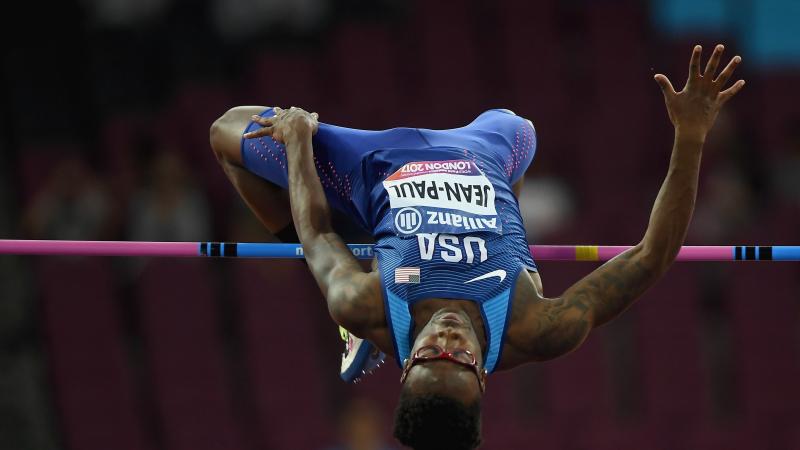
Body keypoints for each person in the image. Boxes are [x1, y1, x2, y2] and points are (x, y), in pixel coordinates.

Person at [210, 45, 744, 450]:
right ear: (482, 376)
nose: (445, 337)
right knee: (519, 124)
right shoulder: (534, 327)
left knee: (226, 132)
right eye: (459, 358)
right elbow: (652, 256)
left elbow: (318, 234)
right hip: (487, 152)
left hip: (367, 163)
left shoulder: (365, 303)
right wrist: (691, 137)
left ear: (406, 365)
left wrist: (299, 139)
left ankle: (358, 324)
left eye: (427, 354)